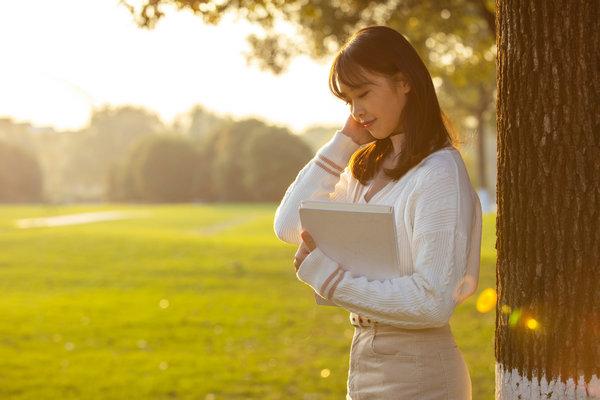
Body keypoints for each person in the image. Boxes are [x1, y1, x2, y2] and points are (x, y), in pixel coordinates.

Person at [273, 26, 482, 399]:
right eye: (348, 100)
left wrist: (330, 279)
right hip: (366, 360)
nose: (356, 110)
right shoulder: (365, 169)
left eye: (364, 93)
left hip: (422, 375)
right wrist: (345, 141)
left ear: (404, 82)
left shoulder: (439, 174)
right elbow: (289, 225)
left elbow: (433, 302)